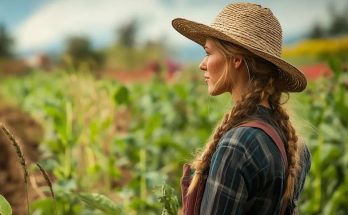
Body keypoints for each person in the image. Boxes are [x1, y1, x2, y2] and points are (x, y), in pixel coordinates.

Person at [172, 2, 311, 215]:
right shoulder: (295, 144)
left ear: (236, 59)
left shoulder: (237, 145)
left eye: (209, 52)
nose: (202, 64)